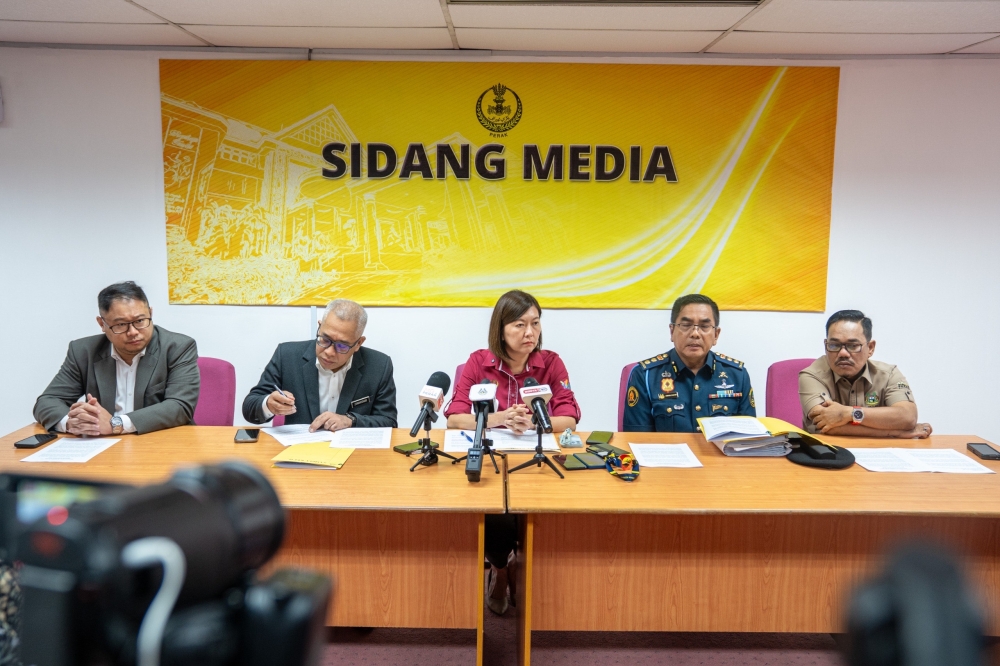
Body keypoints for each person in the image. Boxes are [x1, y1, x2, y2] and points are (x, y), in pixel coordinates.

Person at [446, 290, 581, 616]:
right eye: (520, 325)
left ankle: (542, 577)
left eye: (535, 323)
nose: (530, 333)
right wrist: (500, 419)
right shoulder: (479, 362)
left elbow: (571, 417)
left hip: (536, 458)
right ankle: (502, 570)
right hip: (492, 460)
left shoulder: (550, 363)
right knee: (497, 513)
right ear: (501, 328)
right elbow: (454, 419)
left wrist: (533, 420)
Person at [33, 281, 200, 435]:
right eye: (121, 324)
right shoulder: (83, 351)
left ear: (150, 313)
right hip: (104, 446)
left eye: (140, 320)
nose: (133, 331)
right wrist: (72, 423)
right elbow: (48, 401)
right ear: (102, 324)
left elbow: (179, 406)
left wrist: (115, 424)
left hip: (160, 442)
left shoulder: (178, 347)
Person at [242, 299, 397, 431]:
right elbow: (250, 408)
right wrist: (268, 404)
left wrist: (350, 420)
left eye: (342, 346)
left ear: (358, 343)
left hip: (353, 454)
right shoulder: (287, 355)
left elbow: (388, 422)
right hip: (298, 452)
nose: (329, 352)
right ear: (320, 326)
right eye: (325, 339)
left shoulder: (379, 366)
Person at [623, 293, 754, 432]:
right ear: (672, 331)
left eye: (704, 326)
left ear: (716, 335)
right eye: (686, 325)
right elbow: (636, 440)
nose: (695, 333)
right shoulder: (646, 375)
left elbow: (746, 441)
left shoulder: (737, 375)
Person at [799, 310, 931, 438]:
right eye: (834, 345)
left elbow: (908, 417)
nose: (843, 353)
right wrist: (895, 432)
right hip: (828, 453)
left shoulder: (888, 374)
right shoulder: (811, 375)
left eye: (853, 345)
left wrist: (849, 413)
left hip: (880, 452)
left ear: (871, 348)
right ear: (825, 345)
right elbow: (827, 427)